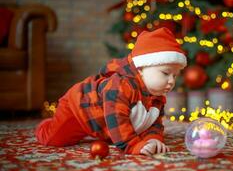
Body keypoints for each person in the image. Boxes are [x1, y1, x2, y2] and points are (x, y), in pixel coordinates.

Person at [35, 27, 187, 156]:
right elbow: (117, 119)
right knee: (54, 139)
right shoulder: (121, 86)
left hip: (103, 124)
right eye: (165, 73)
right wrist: (133, 145)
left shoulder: (157, 96)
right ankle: (46, 125)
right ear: (141, 68)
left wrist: (153, 139)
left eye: (175, 75)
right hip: (78, 110)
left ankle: (107, 134)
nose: (172, 81)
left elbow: (154, 123)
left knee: (128, 130)